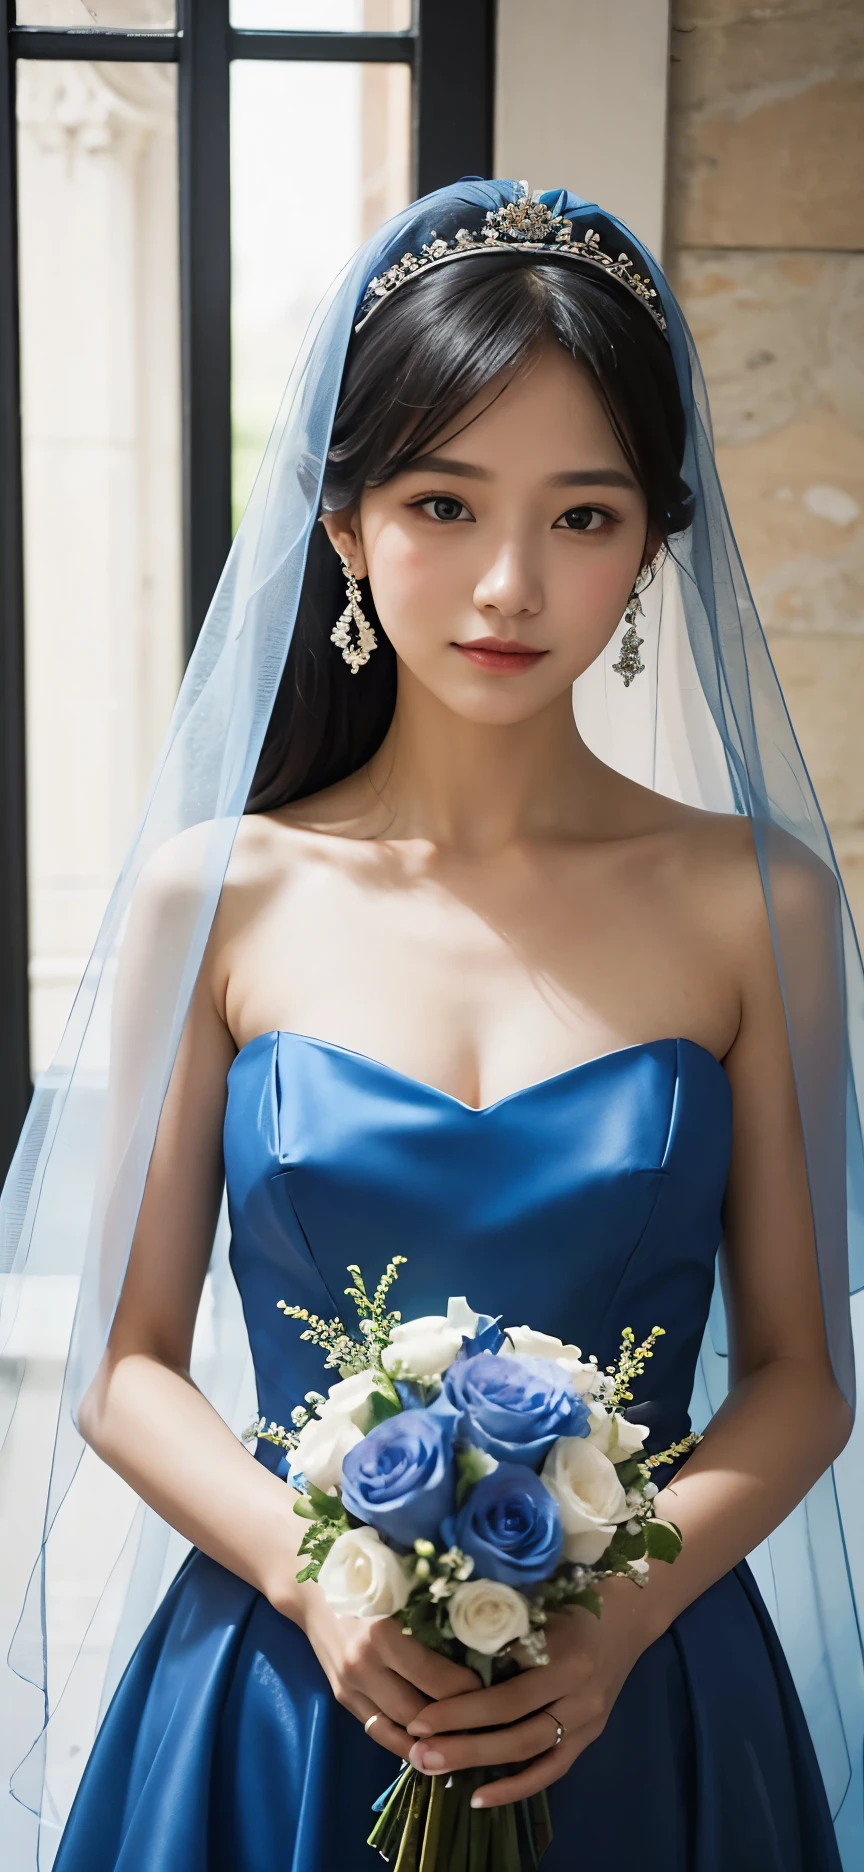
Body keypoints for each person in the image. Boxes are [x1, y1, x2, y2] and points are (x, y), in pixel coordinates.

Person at [3, 181, 862, 1872]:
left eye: (585, 517)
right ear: (345, 525)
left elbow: (797, 1380)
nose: (510, 583)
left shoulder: (760, 908)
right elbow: (122, 1367)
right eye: (444, 504)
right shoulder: (218, 894)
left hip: (642, 1702)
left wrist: (618, 1617)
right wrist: (320, 1575)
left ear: (653, 540)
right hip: (282, 1692)